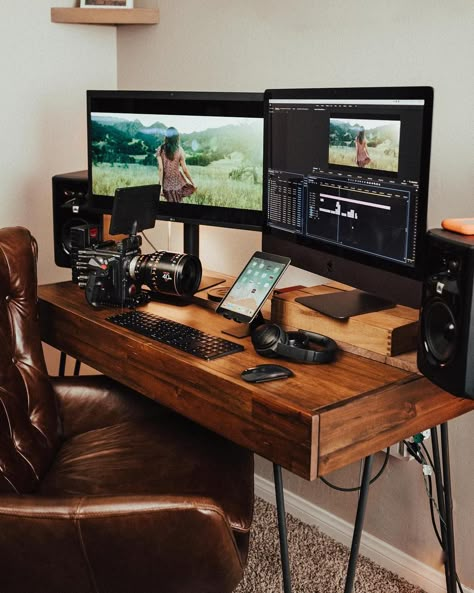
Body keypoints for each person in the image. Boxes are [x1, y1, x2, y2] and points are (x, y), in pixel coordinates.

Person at [156, 127, 197, 202]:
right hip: (178, 184)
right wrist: (193, 183)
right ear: (177, 137)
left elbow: (161, 169)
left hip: (166, 185)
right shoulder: (180, 150)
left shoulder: (160, 149)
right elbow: (184, 170)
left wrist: (160, 187)